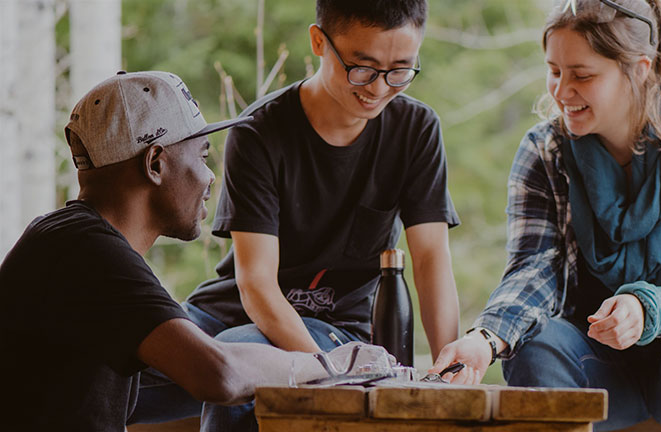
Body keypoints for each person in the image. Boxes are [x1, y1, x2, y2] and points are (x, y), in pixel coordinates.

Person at [427, 1, 661, 431]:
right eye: (554, 71)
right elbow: (534, 269)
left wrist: (648, 307)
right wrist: (486, 338)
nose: (560, 90)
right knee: (533, 344)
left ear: (640, 68)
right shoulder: (544, 151)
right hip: (603, 368)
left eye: (582, 75)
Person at [136, 1, 461, 430]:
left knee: (238, 363)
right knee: (105, 369)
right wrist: (325, 373)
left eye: (400, 70)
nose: (380, 88)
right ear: (318, 42)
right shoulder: (260, 131)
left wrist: (448, 373)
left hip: (333, 330)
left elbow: (431, 259)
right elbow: (256, 286)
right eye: (362, 68)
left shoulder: (415, 129)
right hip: (232, 313)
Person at [0, 71, 379, 431]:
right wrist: (325, 364)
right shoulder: (88, 251)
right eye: (201, 155)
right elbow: (219, 375)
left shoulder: (69, 240)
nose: (211, 175)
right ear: (155, 163)